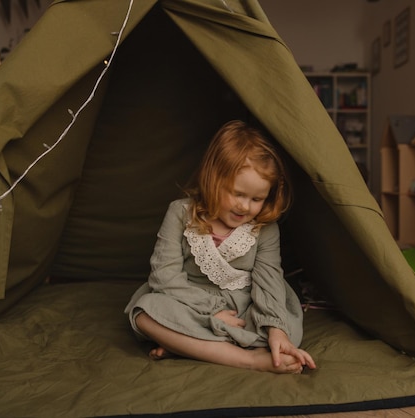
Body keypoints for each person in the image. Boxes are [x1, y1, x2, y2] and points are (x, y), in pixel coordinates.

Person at [125, 120, 316, 374]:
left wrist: (276, 330)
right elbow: (164, 277)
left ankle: (186, 345)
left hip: (245, 307)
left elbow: (268, 280)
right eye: (237, 193)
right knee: (144, 312)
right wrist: (212, 314)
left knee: (284, 329)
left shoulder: (265, 228)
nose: (245, 207)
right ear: (214, 178)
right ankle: (249, 360)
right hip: (189, 302)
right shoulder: (181, 213)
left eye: (257, 199)